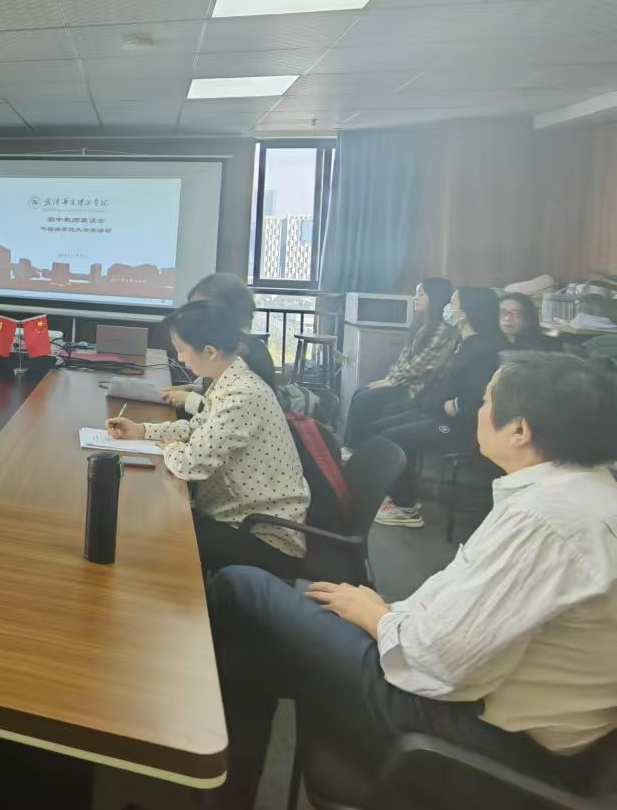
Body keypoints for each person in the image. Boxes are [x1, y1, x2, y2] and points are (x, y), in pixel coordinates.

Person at [203, 352, 617, 809]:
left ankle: (214, 782)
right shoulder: (584, 495)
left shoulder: (549, 520)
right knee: (259, 643)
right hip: (466, 692)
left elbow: (440, 662)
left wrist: (378, 619)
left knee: (240, 588)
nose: (479, 411)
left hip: (473, 733)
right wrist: (387, 616)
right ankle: (225, 789)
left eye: (485, 401)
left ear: (519, 431)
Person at [106, 301, 310, 577]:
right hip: (239, 518)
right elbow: (196, 429)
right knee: (156, 523)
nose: (179, 358)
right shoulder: (229, 380)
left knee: (159, 535)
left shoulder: (242, 395)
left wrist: (171, 449)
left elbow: (191, 464)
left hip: (263, 537)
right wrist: (142, 430)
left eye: (181, 350)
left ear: (210, 352)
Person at [368, 286, 504, 528]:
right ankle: (393, 493)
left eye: (453, 302)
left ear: (466, 312)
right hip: (437, 413)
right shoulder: (464, 341)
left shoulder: (482, 349)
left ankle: (405, 508)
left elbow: (470, 402)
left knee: (394, 436)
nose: (447, 308)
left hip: (457, 428)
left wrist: (446, 405)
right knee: (380, 426)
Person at [344, 278, 459, 451]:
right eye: (415, 294)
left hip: (419, 391)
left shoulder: (443, 330)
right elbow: (404, 357)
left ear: (435, 298)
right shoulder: (422, 324)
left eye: (421, 294)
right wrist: (389, 379)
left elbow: (419, 366)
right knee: (361, 392)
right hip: (404, 383)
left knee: (364, 400)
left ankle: (356, 450)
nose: (415, 298)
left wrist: (391, 381)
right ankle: (350, 448)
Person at [161, 272, 276, 412]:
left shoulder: (249, 352)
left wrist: (189, 399)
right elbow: (219, 390)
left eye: (200, 309)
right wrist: (194, 389)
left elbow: (235, 406)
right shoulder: (222, 343)